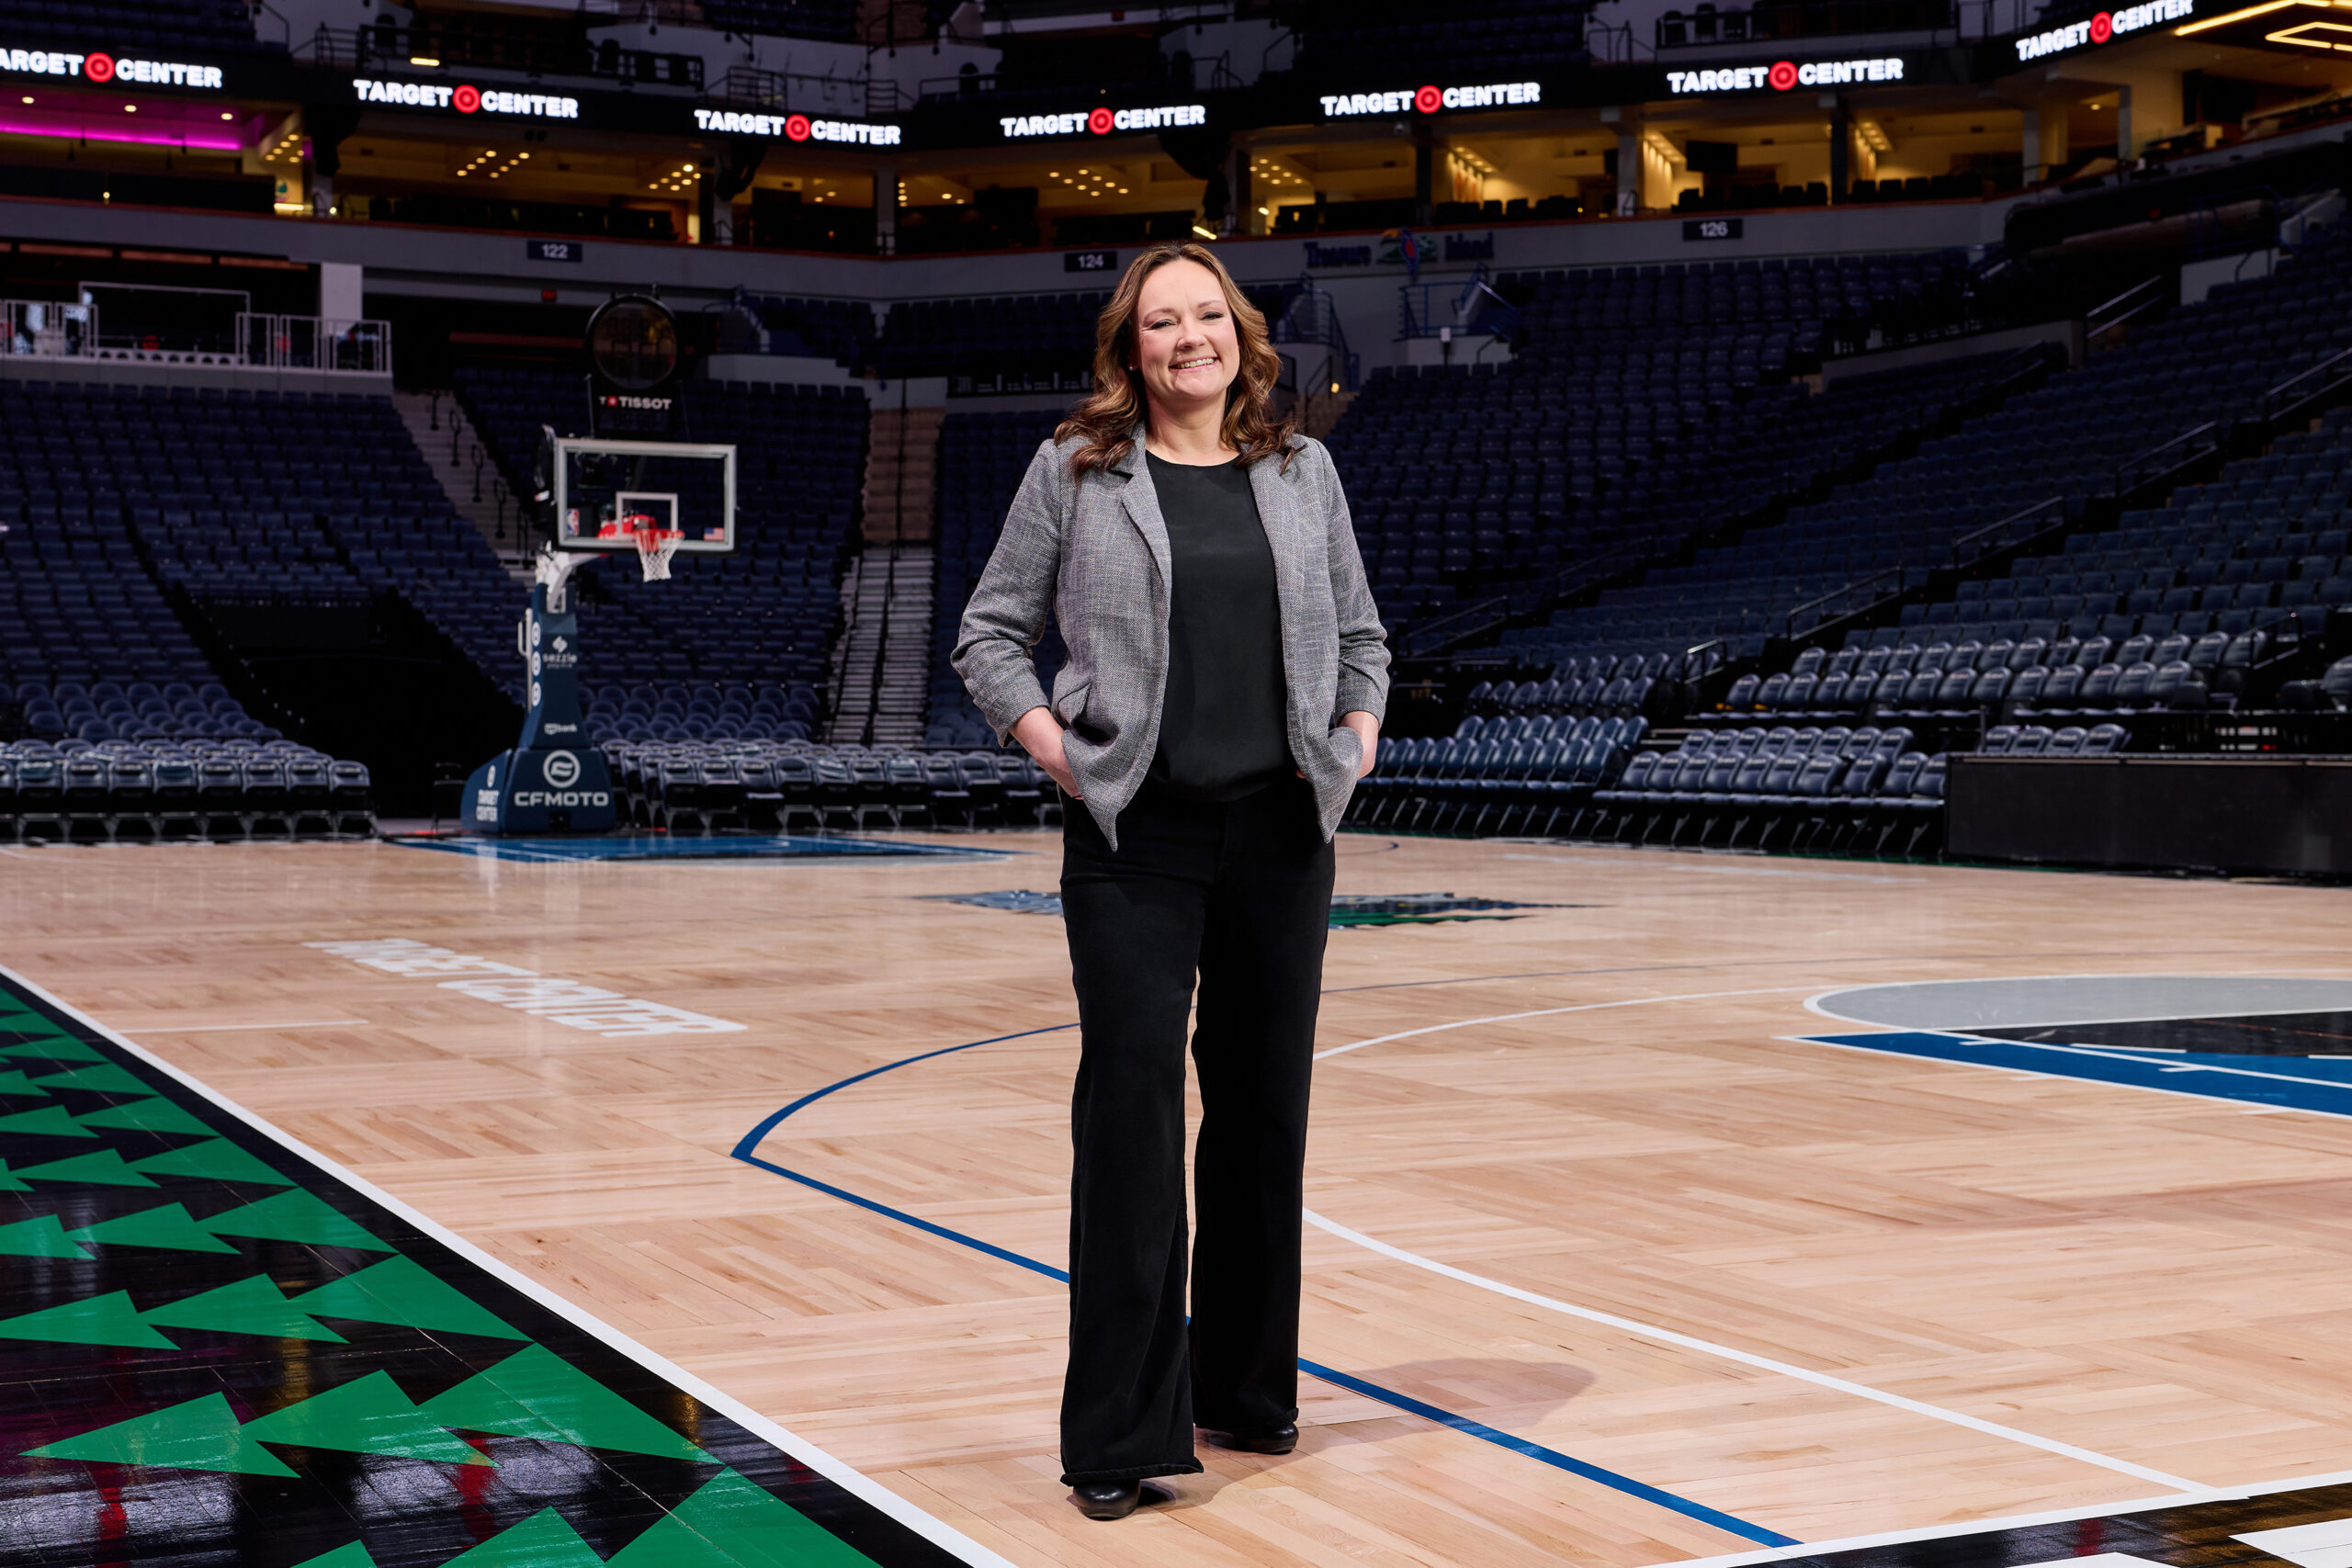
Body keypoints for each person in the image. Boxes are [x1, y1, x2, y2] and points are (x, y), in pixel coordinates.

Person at [954, 243, 1389, 1521]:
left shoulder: (1305, 472)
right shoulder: (1078, 471)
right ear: (1130, 348)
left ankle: (1246, 1389)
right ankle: (1118, 1433)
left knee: (1261, 1118)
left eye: (1207, 315)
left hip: (1282, 832)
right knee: (1133, 1122)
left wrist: (1354, 737)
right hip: (1133, 834)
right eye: (1162, 321)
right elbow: (989, 632)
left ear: (1240, 337)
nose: (1188, 337)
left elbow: (1361, 632)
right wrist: (1053, 748)